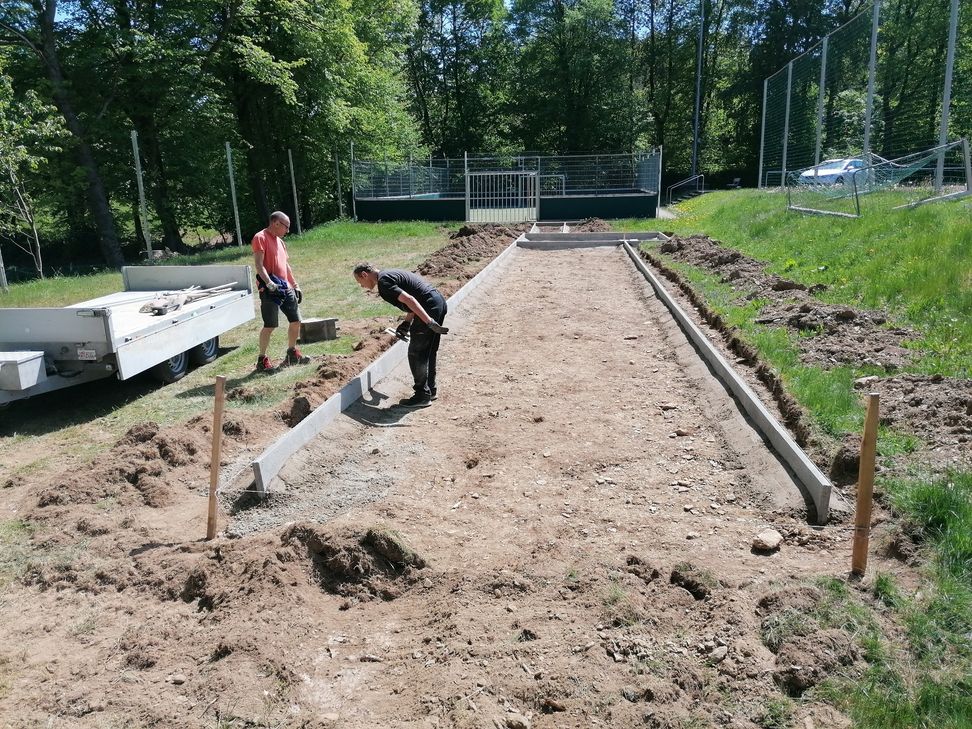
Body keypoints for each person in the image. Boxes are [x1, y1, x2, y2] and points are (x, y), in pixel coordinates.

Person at [352, 263, 449, 408]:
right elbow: (415, 298)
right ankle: (430, 390)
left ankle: (422, 395)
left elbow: (410, 300)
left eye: (360, 282)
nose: (362, 286)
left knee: (416, 352)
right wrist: (407, 322)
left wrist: (428, 322)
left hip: (429, 308)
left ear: (364, 275)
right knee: (429, 351)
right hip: (437, 302)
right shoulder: (389, 274)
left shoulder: (384, 282)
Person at [251, 211, 310, 372]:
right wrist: (269, 283)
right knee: (270, 325)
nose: (288, 230)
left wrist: (295, 285)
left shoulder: (281, 242)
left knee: (295, 320)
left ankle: (292, 353)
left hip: (285, 287)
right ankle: (262, 360)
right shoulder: (260, 238)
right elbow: (259, 264)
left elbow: (286, 266)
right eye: (286, 227)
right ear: (276, 223)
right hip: (270, 289)